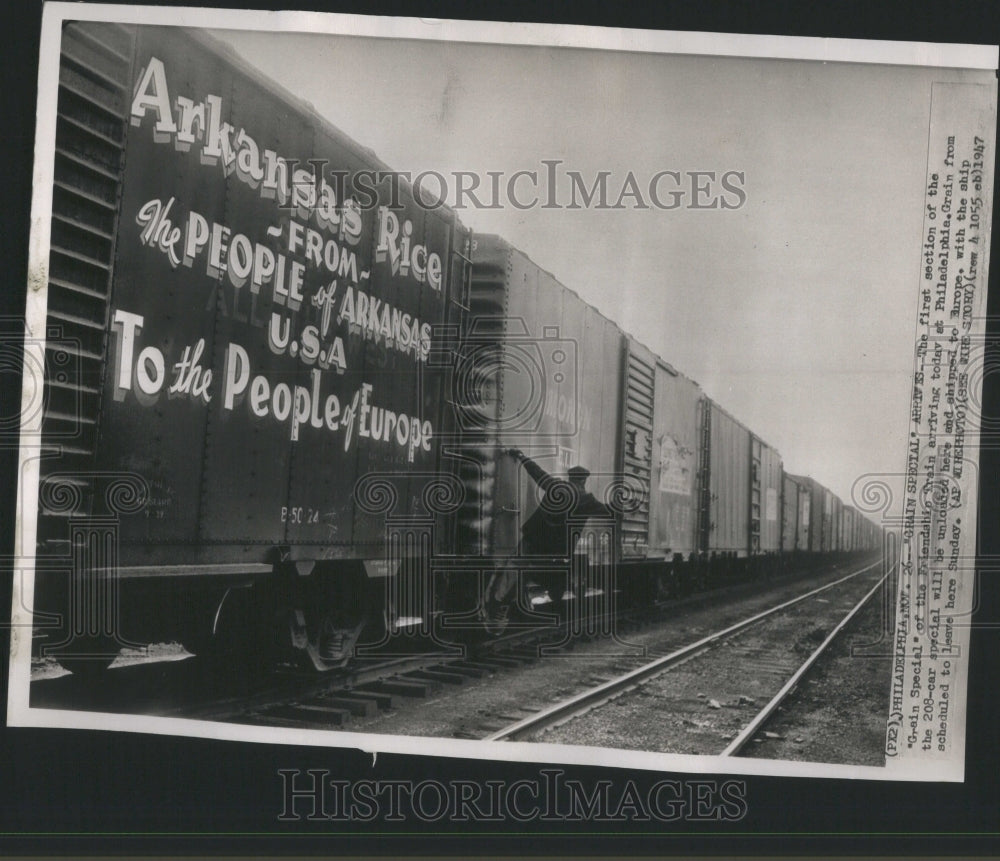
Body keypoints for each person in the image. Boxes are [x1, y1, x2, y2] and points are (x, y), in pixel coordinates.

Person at [482, 448, 614, 632]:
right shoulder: (587, 500)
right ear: (584, 480)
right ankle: (506, 610)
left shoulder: (555, 486)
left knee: (513, 570)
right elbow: (610, 511)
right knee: (530, 574)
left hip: (533, 540)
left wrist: (521, 457)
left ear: (570, 478)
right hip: (554, 550)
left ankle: (497, 607)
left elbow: (537, 473)